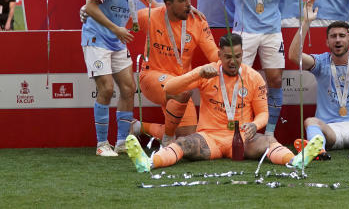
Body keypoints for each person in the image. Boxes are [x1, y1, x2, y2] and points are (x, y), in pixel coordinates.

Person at [124, 33, 323, 172]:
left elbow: (263, 113)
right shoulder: (208, 71)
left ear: (242, 54)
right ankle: (149, 163)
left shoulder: (253, 77)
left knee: (267, 141)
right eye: (227, 57)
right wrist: (198, 73)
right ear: (219, 55)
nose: (233, 62)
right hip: (210, 138)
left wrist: (255, 125)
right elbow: (169, 88)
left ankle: (295, 161)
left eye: (237, 56)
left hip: (243, 138)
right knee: (183, 143)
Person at [217, 0, 307, 139]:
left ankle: (269, 132)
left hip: (271, 30)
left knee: (275, 80)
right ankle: (240, 129)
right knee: (238, 79)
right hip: (244, 31)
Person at [82, 0, 156, 156]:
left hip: (116, 40)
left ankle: (122, 141)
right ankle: (102, 145)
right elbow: (90, 8)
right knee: (106, 88)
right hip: (96, 38)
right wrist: (116, 29)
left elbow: (152, 4)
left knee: (128, 88)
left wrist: (179, 9)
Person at [287, 0, 349, 159]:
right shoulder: (320, 62)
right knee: (310, 121)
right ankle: (318, 148)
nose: (338, 39)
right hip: (330, 129)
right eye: (333, 36)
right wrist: (306, 22)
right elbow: (293, 56)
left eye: (342, 36)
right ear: (327, 42)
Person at [127, 0, 219, 145]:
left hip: (181, 82)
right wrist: (88, 13)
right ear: (168, 4)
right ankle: (167, 140)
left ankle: (139, 127)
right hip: (152, 77)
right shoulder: (148, 16)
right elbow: (118, 22)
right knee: (181, 90)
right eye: (182, 1)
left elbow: (213, 53)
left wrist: (228, 58)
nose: (189, 5)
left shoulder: (198, 22)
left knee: (187, 140)